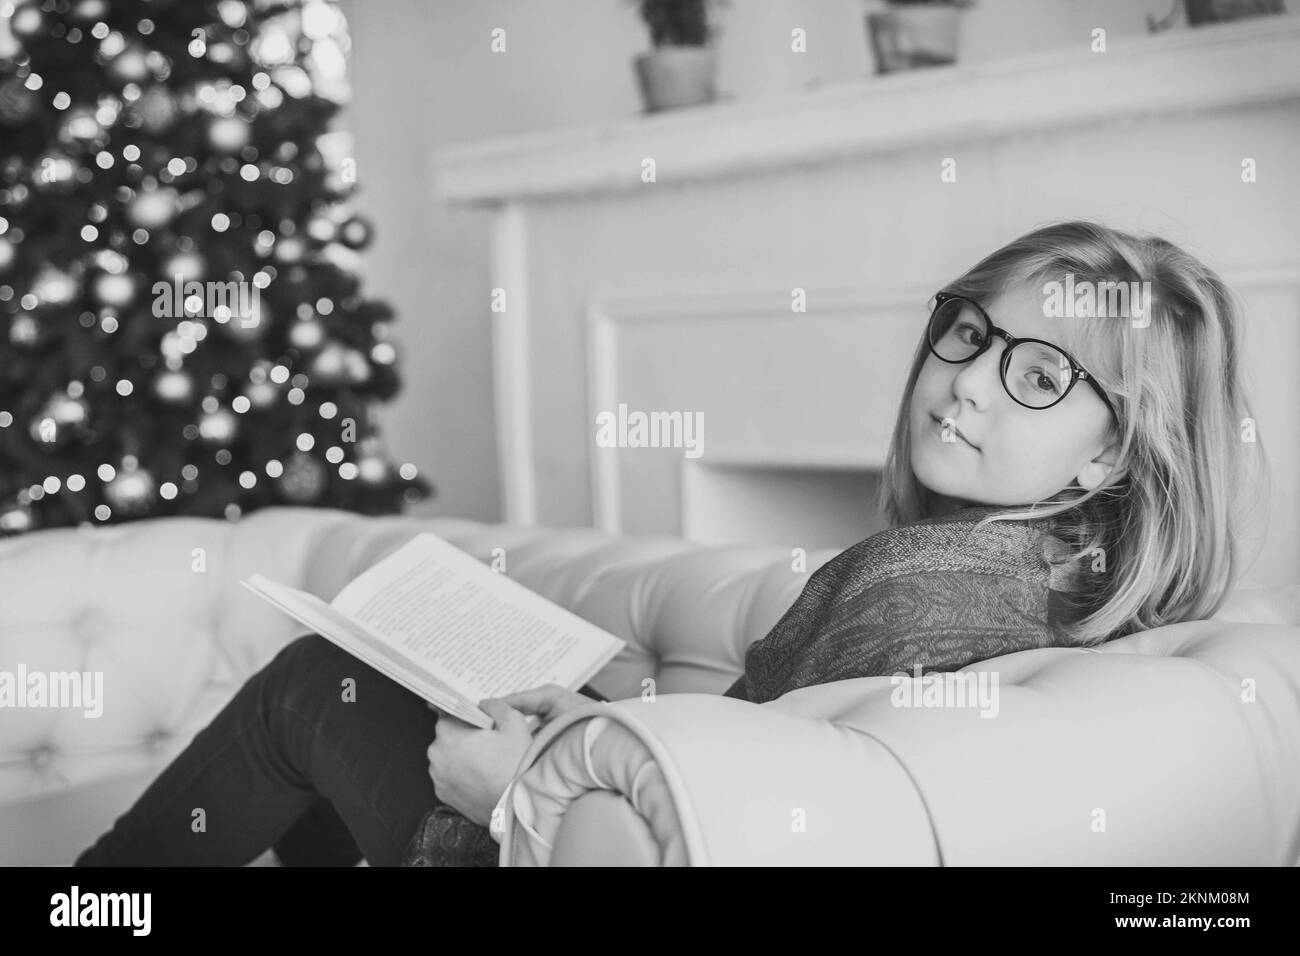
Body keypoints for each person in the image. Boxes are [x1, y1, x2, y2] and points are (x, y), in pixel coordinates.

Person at [75, 220, 1266, 866]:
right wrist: (594, 721)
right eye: (967, 332)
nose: (966, 385)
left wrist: (514, 791)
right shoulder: (1073, 594)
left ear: (1112, 455)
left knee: (310, 685)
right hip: (596, 804)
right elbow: (776, 767)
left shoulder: (912, 584)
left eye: (1041, 373)